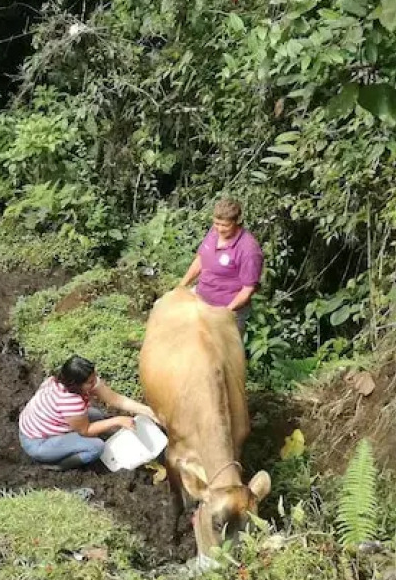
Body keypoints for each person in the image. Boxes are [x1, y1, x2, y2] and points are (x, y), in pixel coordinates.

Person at [18, 356, 157, 469]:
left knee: (96, 415)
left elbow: (116, 400)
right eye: (90, 382)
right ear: (76, 384)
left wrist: (150, 412)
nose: (95, 382)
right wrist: (117, 420)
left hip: (42, 426)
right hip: (38, 443)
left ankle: (68, 439)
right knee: (96, 447)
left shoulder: (56, 381)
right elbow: (85, 430)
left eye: (94, 376)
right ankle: (57, 465)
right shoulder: (70, 401)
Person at [178, 197, 263, 334]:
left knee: (219, 351)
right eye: (216, 223)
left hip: (227, 308)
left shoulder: (249, 250)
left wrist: (225, 313)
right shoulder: (214, 232)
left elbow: (247, 290)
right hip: (201, 297)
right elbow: (200, 260)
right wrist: (181, 286)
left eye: (225, 225)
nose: (220, 229)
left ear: (237, 222)